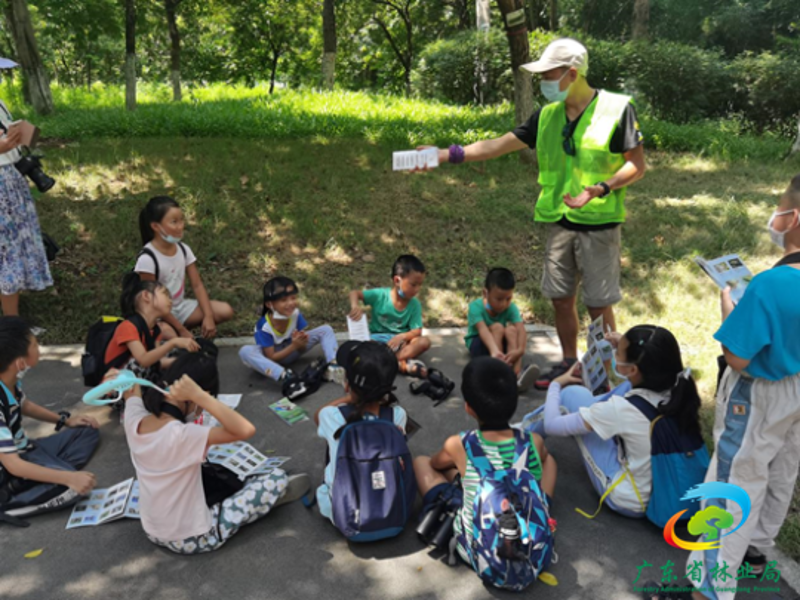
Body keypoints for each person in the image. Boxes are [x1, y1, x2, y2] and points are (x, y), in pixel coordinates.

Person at [424, 38, 646, 390]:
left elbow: (637, 165)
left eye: (548, 73)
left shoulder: (617, 109)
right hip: (558, 221)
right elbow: (498, 145)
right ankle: (570, 363)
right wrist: (445, 154)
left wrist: (601, 188)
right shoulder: (546, 116)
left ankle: (605, 375)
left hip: (599, 223)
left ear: (571, 73)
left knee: (599, 305)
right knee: (561, 298)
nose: (542, 80)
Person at [649, 176, 800, 600]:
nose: (776, 217)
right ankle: (756, 547)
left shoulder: (771, 284)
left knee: (732, 482)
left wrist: (730, 307)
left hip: (758, 394)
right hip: (797, 389)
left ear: (793, 218)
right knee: (781, 467)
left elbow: (737, 356)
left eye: (780, 208)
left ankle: (709, 589)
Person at [121, 352, 310, 554]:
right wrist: (200, 396)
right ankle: (267, 500)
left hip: (152, 530)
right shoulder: (183, 434)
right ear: (197, 396)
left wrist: (122, 377)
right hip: (192, 538)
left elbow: (131, 391)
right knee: (276, 478)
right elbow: (245, 430)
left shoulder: (134, 420)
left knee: (212, 469)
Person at [523, 325, 701, 520]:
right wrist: (623, 343)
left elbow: (552, 425)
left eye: (618, 354)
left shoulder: (621, 409)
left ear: (633, 369)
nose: (615, 356)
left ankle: (519, 437)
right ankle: (523, 429)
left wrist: (556, 384)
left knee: (567, 396)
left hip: (630, 498)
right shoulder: (678, 385)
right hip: (668, 486)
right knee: (579, 395)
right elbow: (631, 379)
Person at [415, 358, 556, 561]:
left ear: (469, 407)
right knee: (549, 460)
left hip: (481, 550)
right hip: (527, 534)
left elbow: (435, 464)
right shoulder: (533, 440)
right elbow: (544, 459)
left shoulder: (459, 444)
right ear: (514, 402)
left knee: (422, 462)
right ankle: (543, 507)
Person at [0, 316, 99, 520]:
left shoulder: (10, 380)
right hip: (11, 465)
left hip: (27, 449)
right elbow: (13, 464)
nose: (39, 348)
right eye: (35, 345)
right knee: (72, 490)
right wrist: (69, 478)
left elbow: (24, 405)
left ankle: (41, 474)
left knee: (87, 432)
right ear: (20, 363)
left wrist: (65, 420)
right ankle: (12, 505)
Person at [314, 341, 408, 524]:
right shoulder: (397, 415)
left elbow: (317, 415)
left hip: (345, 517)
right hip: (390, 514)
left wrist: (349, 397)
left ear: (347, 384)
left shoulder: (332, 416)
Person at [134, 196, 234, 340]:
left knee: (225, 310)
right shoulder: (147, 260)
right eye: (174, 222)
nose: (180, 226)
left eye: (181, 220)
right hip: (158, 315)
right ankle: (173, 333)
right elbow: (154, 303)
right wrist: (181, 330)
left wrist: (208, 316)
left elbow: (197, 285)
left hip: (180, 308)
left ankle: (180, 331)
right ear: (155, 226)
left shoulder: (184, 249)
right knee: (172, 336)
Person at [0, 62, 53, 317]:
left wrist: (24, 136)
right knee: (7, 253)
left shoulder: (0, 103)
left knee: (14, 249)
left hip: (11, 181)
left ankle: (13, 322)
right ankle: (12, 328)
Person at [239, 276, 343, 385]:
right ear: (270, 304)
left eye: (293, 298)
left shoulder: (296, 315)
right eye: (284, 300)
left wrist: (300, 343)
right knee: (245, 351)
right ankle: (285, 376)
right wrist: (294, 346)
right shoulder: (263, 326)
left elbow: (301, 348)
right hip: (273, 359)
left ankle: (333, 365)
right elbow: (272, 357)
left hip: (293, 349)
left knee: (326, 329)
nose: (290, 303)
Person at [104, 272, 199, 381]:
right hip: (114, 387)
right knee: (139, 362)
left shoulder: (155, 330)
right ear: (146, 296)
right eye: (165, 294)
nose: (170, 301)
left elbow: (156, 361)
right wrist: (173, 342)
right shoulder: (128, 327)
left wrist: (185, 361)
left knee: (178, 357)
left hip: (139, 381)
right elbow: (143, 361)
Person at [348, 254, 431, 377]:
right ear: (397, 280)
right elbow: (354, 293)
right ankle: (401, 364)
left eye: (420, 285)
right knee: (355, 347)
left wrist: (401, 336)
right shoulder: (380, 295)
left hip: (400, 344)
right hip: (376, 341)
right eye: (413, 285)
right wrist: (355, 306)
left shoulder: (415, 304)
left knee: (424, 342)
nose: (417, 289)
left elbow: (416, 332)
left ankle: (384, 362)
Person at [465, 267, 539, 392]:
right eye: (499, 299)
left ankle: (516, 375)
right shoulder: (475, 307)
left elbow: (521, 329)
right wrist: (494, 351)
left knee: (511, 330)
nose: (504, 304)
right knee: (498, 326)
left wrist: (520, 351)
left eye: (508, 299)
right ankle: (497, 373)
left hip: (498, 346)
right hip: (479, 344)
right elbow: (482, 329)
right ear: (485, 293)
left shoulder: (511, 308)